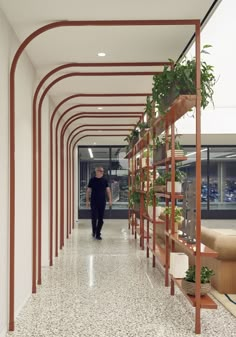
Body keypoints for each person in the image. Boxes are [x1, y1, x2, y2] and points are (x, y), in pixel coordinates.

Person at [86, 167, 112, 240]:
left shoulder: (104, 180)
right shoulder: (92, 180)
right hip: (93, 201)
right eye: (100, 171)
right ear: (96, 171)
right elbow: (88, 191)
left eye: (103, 171)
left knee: (100, 218)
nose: (102, 172)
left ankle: (98, 233)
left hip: (102, 202)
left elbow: (108, 190)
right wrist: (87, 201)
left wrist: (110, 200)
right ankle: (94, 231)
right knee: (94, 217)